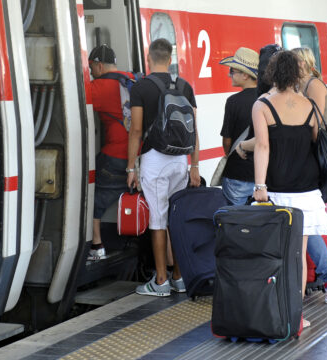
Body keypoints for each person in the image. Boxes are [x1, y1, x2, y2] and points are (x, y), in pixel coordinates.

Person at [252, 50, 327, 326]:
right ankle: (295, 316)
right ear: (298, 74)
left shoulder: (262, 106)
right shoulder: (309, 106)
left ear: (272, 74)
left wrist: (259, 186)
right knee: (298, 256)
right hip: (307, 191)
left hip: (276, 188)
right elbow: (314, 141)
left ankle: (274, 310)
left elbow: (262, 146)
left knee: (277, 255)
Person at [127, 38, 200, 296]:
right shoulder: (184, 85)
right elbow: (194, 130)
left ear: (149, 59)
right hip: (181, 160)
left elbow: (136, 130)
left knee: (158, 220)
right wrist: (195, 165)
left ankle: (160, 281)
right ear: (170, 60)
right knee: (176, 219)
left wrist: (130, 168)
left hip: (155, 160)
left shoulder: (141, 87)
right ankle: (179, 278)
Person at [293, 46, 327, 303]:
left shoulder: (313, 85)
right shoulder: (304, 86)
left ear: (307, 63)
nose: (295, 65)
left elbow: (318, 126)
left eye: (298, 61)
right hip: (308, 161)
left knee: (310, 226)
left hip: (312, 161)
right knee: (310, 225)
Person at [88, 44, 133, 260]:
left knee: (89, 197)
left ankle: (96, 246)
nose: (90, 73)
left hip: (115, 156)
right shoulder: (134, 80)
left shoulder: (99, 87)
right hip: (138, 158)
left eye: (91, 68)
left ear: (98, 65)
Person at [218, 47, 259, 205]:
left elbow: (227, 140)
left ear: (245, 75)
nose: (229, 74)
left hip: (237, 174)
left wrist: (232, 154)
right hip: (262, 175)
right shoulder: (267, 98)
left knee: (238, 224)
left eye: (232, 70)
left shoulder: (233, 102)